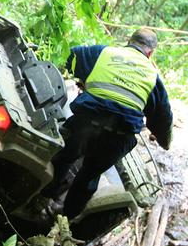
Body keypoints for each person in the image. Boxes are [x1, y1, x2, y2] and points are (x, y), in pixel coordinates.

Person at [40, 28, 173, 221]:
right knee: (89, 177)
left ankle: (44, 197)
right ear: (150, 53)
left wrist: (84, 80)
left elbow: (70, 57)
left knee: (63, 157)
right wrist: (164, 141)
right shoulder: (153, 77)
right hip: (118, 137)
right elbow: (164, 121)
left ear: (129, 41)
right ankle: (65, 219)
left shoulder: (103, 52)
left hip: (85, 122)